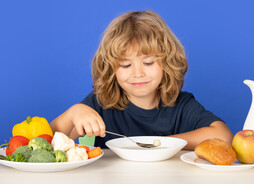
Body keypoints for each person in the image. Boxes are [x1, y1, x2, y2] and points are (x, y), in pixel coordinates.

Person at [50, 10, 233, 150]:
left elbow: (223, 137)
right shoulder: (100, 103)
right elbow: (47, 141)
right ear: (111, 69)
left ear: (166, 63)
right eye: (125, 65)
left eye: (148, 62)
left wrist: (158, 144)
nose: (137, 73)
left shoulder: (182, 105)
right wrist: (73, 113)